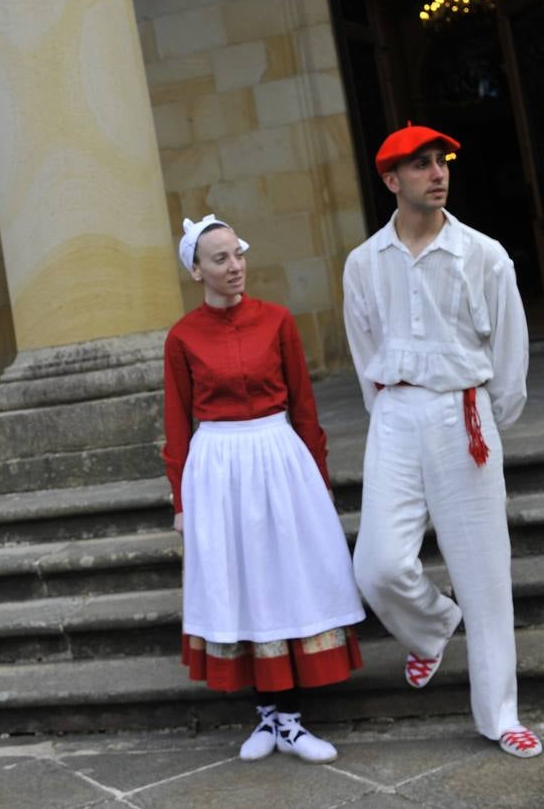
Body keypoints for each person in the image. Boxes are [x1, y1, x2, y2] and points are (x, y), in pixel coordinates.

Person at [342, 124, 540, 759]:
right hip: (396, 412)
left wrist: (484, 415)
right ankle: (431, 629)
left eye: (442, 161)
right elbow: (363, 349)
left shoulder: (484, 253)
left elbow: (510, 355)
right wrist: (394, 407)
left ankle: (499, 713)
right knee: (376, 565)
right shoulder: (363, 262)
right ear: (390, 179)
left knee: (483, 574)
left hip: (464, 413)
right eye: (421, 164)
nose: (437, 172)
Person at [163, 215, 365, 764]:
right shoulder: (182, 337)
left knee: (287, 579)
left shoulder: (277, 321)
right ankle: (267, 716)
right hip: (218, 468)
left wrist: (317, 480)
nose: (235, 267)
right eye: (220, 259)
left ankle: (293, 719)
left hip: (279, 458)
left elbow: (303, 405)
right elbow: (178, 424)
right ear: (197, 270)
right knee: (242, 582)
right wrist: (182, 500)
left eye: (238, 255)